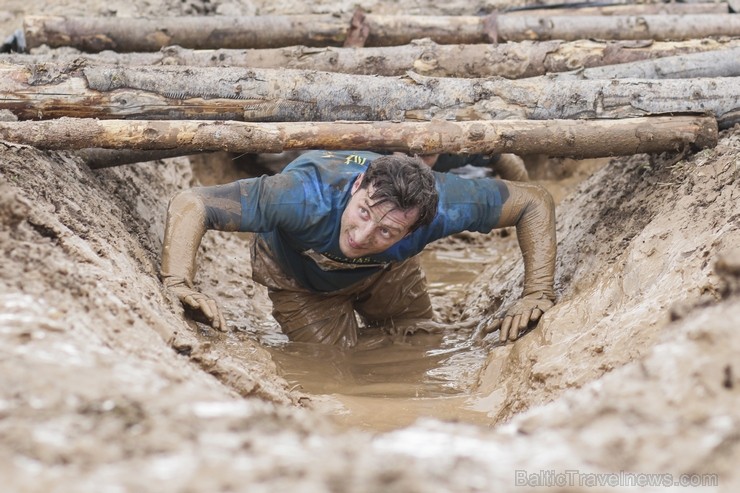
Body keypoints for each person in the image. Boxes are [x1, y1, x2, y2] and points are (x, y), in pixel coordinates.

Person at [161, 150, 556, 347]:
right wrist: (178, 281)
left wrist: (536, 293)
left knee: (418, 346)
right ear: (356, 187)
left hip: (388, 270)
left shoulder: (447, 206)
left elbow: (533, 201)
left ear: (419, 226)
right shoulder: (300, 197)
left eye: (387, 229)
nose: (363, 235)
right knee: (329, 365)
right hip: (299, 274)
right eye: (363, 212)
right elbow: (193, 203)